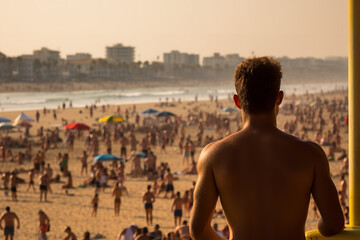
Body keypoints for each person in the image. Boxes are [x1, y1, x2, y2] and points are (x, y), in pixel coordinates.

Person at [190, 57, 344, 240]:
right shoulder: (310, 154)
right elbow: (334, 224)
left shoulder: (213, 156)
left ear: (237, 101)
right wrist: (317, 229)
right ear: (279, 98)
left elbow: (198, 231)